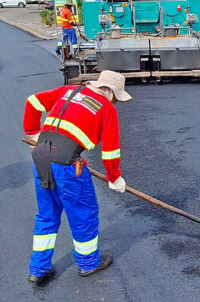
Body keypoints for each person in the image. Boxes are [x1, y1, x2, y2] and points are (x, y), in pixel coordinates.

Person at [22, 70, 132, 287]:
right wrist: (114, 178)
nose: (116, 103)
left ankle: (38, 269)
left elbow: (33, 101)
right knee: (83, 214)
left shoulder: (69, 90)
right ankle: (89, 263)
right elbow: (110, 152)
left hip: (41, 156)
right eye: (117, 98)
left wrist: (32, 131)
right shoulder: (106, 109)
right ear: (110, 91)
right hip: (67, 165)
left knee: (47, 215)